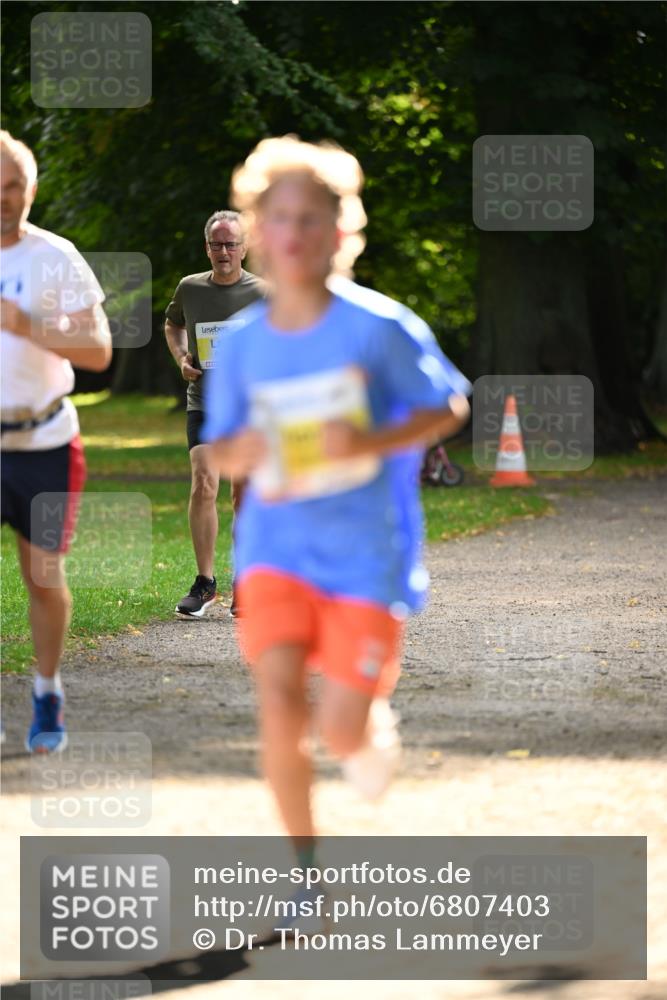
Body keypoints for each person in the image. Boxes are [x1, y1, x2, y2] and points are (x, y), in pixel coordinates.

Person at [202, 136, 471, 904]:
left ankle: (365, 731)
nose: (294, 233)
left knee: (343, 732)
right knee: (280, 702)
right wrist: (240, 451)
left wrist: (369, 439)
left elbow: (448, 406)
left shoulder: (378, 327)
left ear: (340, 230)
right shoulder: (246, 342)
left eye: (312, 218)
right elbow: (218, 450)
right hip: (275, 551)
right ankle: (302, 876)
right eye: (279, 217)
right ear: (258, 227)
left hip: (364, 557)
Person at [0, 130, 112, 753]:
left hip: (44, 439)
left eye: (14, 184)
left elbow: (98, 351)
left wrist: (26, 324)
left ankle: (47, 690)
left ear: (31, 189)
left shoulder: (55, 257)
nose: (4, 197)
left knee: (43, 576)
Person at [164, 210, 264, 618]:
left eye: (231, 244)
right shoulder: (190, 288)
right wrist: (181, 360)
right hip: (204, 401)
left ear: (244, 248)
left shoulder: (266, 292)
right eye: (217, 244)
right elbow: (172, 326)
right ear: (207, 248)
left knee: (245, 495)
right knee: (204, 482)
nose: (224, 251)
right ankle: (205, 584)